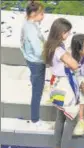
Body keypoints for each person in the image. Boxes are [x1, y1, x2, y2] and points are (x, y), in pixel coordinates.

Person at [43, 18, 81, 148]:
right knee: (71, 118)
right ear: (61, 32)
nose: (68, 35)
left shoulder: (49, 46)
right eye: (67, 32)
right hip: (65, 85)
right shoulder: (59, 49)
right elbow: (74, 65)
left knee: (60, 117)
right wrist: (72, 58)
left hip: (56, 84)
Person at [20, 1, 51, 129]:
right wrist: (49, 57)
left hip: (30, 59)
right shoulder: (31, 30)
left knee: (36, 85)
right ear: (33, 14)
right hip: (37, 63)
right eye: (41, 13)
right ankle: (35, 119)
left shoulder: (28, 24)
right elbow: (39, 51)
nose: (43, 16)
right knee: (37, 91)